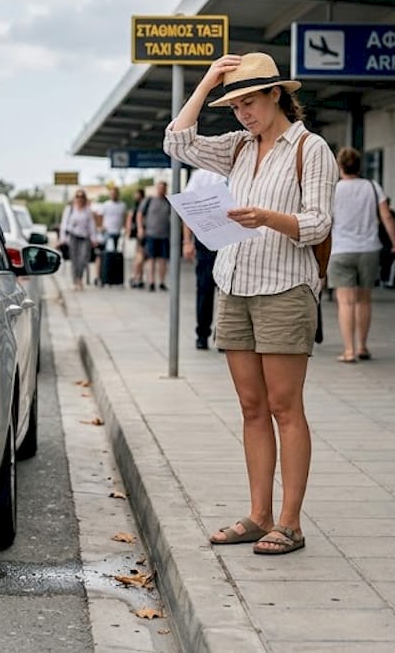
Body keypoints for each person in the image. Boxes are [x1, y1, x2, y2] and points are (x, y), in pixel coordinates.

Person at [164, 52, 335, 556]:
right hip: (234, 284)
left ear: (276, 94)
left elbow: (318, 224)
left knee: (285, 408)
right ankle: (259, 516)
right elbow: (177, 141)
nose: (242, 114)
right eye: (235, 105)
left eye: (249, 102)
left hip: (284, 288)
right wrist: (208, 81)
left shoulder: (310, 148)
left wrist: (267, 217)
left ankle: (290, 522)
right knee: (251, 407)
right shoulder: (239, 147)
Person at [327, 147, 395, 362]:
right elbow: (387, 217)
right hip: (369, 249)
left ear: (339, 166)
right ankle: (362, 347)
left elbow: (327, 221)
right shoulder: (373, 186)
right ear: (359, 166)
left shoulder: (334, 189)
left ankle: (348, 350)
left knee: (345, 302)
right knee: (364, 301)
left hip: (341, 250)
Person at [181, 168, 227, 349]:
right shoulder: (202, 174)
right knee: (205, 288)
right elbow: (188, 209)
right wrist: (187, 241)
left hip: (234, 239)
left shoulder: (239, 169)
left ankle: (223, 335)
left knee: (228, 291)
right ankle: (202, 333)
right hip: (208, 238)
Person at [136, 180, 172, 291]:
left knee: (163, 260)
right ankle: (151, 281)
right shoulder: (150, 200)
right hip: (150, 234)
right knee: (150, 259)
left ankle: (161, 282)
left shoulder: (168, 202)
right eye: (160, 187)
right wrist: (140, 228)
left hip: (164, 235)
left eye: (164, 188)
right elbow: (139, 214)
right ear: (157, 188)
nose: (161, 190)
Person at [61, 189, 98, 291]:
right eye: (78, 196)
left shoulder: (87, 210)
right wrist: (62, 239)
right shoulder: (70, 209)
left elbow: (91, 225)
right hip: (73, 236)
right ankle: (74, 280)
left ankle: (80, 278)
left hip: (85, 237)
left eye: (82, 197)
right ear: (75, 198)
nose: (79, 198)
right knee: (74, 260)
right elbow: (64, 224)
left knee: (83, 259)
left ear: (84, 198)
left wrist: (94, 238)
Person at [126, 187, 147, 288]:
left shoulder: (141, 206)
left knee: (139, 257)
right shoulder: (138, 207)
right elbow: (129, 220)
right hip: (138, 234)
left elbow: (129, 220)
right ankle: (136, 276)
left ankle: (137, 277)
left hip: (140, 233)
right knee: (139, 256)